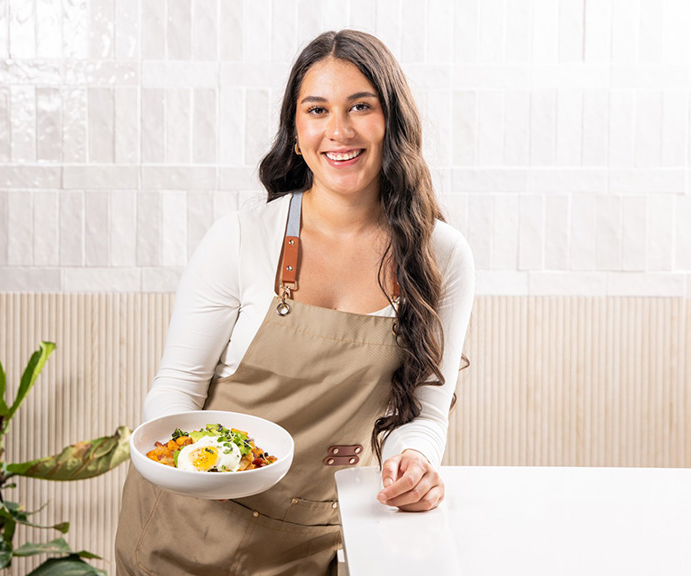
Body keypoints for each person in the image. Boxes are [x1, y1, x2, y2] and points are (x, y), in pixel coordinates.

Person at [115, 29, 474, 576]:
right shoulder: (240, 239)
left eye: (361, 106)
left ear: (392, 120)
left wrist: (414, 462)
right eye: (317, 109)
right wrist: (194, 462)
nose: (339, 130)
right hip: (184, 529)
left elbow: (425, 412)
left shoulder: (439, 256)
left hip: (311, 538)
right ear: (296, 127)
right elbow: (176, 387)